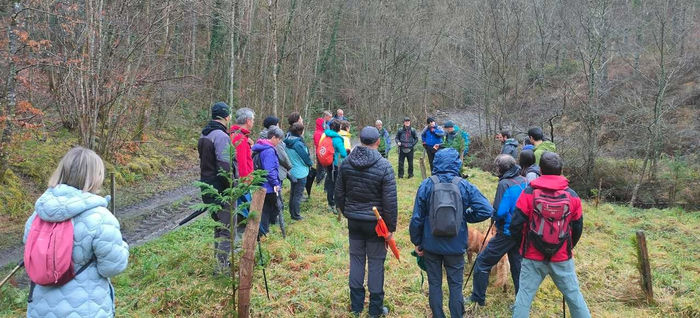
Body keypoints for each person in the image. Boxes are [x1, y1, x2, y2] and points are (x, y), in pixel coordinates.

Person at [23, 147, 129, 318]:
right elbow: (112, 267)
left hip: (40, 309)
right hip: (86, 309)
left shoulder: (39, 213)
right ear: (95, 177)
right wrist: (123, 245)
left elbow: (29, 248)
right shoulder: (100, 217)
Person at [409, 148, 493, 318]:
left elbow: (417, 218)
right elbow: (486, 209)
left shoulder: (427, 184)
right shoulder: (464, 185)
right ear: (457, 163)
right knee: (455, 285)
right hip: (456, 246)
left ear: (436, 163)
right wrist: (464, 216)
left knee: (435, 284)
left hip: (431, 244)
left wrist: (417, 242)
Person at [509, 152, 590, 318]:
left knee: (524, 296)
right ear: (561, 170)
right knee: (574, 296)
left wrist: (523, 246)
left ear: (540, 170)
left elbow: (515, 225)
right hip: (562, 256)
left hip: (532, 255)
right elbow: (578, 227)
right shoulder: (573, 196)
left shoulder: (529, 193)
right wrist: (567, 245)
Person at [335, 126, 397, 318]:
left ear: (360, 140)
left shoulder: (346, 163)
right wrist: (390, 229)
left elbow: (339, 194)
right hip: (375, 223)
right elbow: (390, 202)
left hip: (354, 220)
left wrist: (349, 213)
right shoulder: (384, 166)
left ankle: (356, 306)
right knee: (376, 262)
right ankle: (375, 310)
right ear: (378, 142)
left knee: (356, 260)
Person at [468, 154, 527, 307]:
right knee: (517, 266)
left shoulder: (504, 184)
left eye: (497, 167)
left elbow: (500, 211)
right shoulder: (525, 180)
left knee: (482, 262)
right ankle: (521, 302)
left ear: (501, 168)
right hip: (522, 232)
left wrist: (494, 219)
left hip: (507, 232)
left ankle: (477, 297)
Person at [199, 102, 238, 270]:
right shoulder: (221, 137)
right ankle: (222, 267)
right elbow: (224, 165)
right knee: (227, 230)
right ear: (227, 117)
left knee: (218, 227)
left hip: (207, 187)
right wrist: (232, 185)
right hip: (222, 189)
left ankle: (218, 263)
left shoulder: (205, 134)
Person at [229, 107, 256, 249]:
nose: (253, 123)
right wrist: (246, 183)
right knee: (242, 215)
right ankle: (239, 247)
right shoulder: (239, 138)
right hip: (241, 186)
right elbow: (241, 164)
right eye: (252, 120)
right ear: (247, 120)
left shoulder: (238, 136)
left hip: (240, 184)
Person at [252, 125, 284, 235]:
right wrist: (275, 183)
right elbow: (269, 170)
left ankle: (263, 230)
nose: (279, 142)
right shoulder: (269, 151)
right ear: (274, 137)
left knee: (265, 208)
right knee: (273, 207)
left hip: (261, 183)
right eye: (279, 139)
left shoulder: (261, 146)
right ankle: (264, 231)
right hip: (269, 186)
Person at [284, 122, 313, 220]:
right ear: (300, 131)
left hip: (292, 170)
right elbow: (305, 158)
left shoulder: (287, 141)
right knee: (298, 194)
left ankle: (292, 211)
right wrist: (310, 164)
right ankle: (296, 215)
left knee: (293, 192)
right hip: (300, 172)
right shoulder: (298, 144)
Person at [323, 119, 348, 212]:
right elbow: (344, 153)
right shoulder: (337, 139)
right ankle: (334, 205)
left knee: (330, 182)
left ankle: (331, 203)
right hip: (335, 164)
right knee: (335, 184)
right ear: (339, 128)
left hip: (328, 162)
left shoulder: (327, 135)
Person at [260, 116, 292, 188]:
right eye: (277, 124)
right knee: (276, 194)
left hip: (264, 171)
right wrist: (289, 166)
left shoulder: (262, 136)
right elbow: (282, 156)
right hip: (276, 172)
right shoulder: (275, 138)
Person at [314, 111, 333, 184]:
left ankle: (320, 180)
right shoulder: (318, 133)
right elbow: (318, 144)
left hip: (322, 152)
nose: (324, 125)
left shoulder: (322, 132)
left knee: (322, 168)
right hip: (320, 153)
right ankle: (319, 181)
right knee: (321, 168)